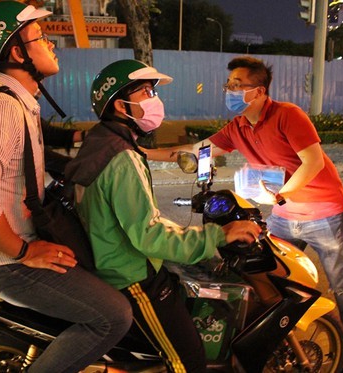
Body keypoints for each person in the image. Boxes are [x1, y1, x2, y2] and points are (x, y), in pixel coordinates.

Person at [145, 55, 343, 373]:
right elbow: (198, 150)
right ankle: (281, 341)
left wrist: (282, 194)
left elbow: (312, 162)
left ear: (259, 91)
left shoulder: (288, 115)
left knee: (341, 282)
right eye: (228, 84)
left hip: (324, 212)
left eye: (237, 85)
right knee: (269, 275)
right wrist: (142, 153)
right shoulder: (238, 127)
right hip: (284, 216)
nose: (230, 90)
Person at [0, 2, 132, 372]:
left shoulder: (20, 103)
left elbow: (35, 143)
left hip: (17, 240)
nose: (51, 45)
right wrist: (23, 252)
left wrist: (86, 137)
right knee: (113, 316)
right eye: (41, 38)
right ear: (18, 53)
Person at [65, 59, 262, 373]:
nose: (155, 99)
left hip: (112, 258)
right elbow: (148, 235)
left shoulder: (101, 142)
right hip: (131, 276)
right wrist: (218, 235)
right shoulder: (122, 158)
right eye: (145, 92)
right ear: (120, 105)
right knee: (189, 361)